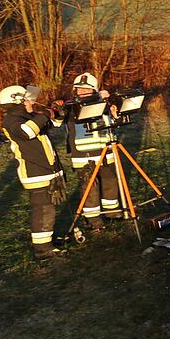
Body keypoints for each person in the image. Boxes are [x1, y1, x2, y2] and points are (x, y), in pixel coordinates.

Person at [0, 84, 65, 258]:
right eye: (27, 99)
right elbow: (27, 131)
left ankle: (47, 240)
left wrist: (57, 110)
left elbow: (55, 123)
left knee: (48, 208)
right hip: (34, 172)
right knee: (43, 210)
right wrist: (45, 114)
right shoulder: (12, 121)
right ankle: (43, 249)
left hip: (47, 169)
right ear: (18, 102)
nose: (31, 102)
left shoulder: (29, 116)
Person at [61, 72, 121, 231]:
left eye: (86, 90)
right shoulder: (71, 106)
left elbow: (112, 123)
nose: (82, 92)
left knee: (110, 182)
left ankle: (112, 213)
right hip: (84, 155)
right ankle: (93, 221)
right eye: (79, 89)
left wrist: (113, 110)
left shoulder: (103, 103)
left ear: (94, 90)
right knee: (90, 188)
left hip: (106, 151)